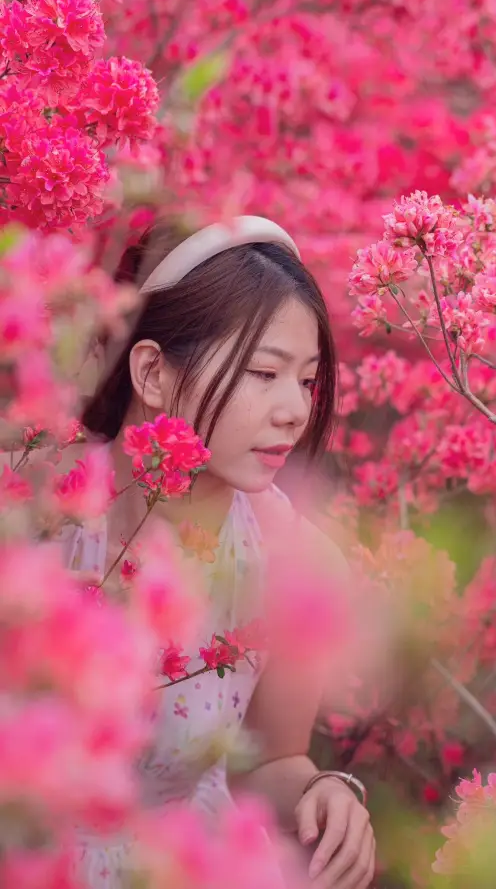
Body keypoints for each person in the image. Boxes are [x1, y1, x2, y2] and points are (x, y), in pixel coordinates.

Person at [65, 216, 375, 889]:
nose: (294, 409)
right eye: (265, 372)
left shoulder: (297, 564)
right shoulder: (33, 509)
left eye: (307, 380)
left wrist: (325, 790)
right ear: (150, 370)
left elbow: (268, 762)